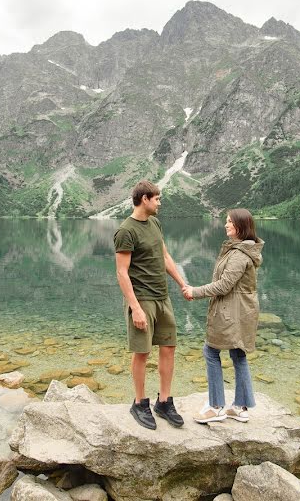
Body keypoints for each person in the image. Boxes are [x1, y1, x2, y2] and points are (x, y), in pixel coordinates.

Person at [114, 180, 187, 430]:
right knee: (142, 352)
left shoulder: (155, 223)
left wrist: (181, 283)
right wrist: (135, 307)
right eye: (157, 198)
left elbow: (165, 256)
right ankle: (139, 403)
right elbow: (122, 273)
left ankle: (164, 402)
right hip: (142, 299)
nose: (160, 202)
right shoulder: (126, 230)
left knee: (168, 347)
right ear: (144, 199)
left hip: (162, 297)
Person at [182, 209, 263, 424]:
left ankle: (216, 407)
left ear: (240, 226)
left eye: (229, 222)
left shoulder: (239, 255)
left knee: (210, 351)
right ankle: (240, 407)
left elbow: (225, 285)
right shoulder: (241, 250)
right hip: (241, 311)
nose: (225, 225)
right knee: (238, 354)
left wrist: (194, 291)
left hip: (231, 313)